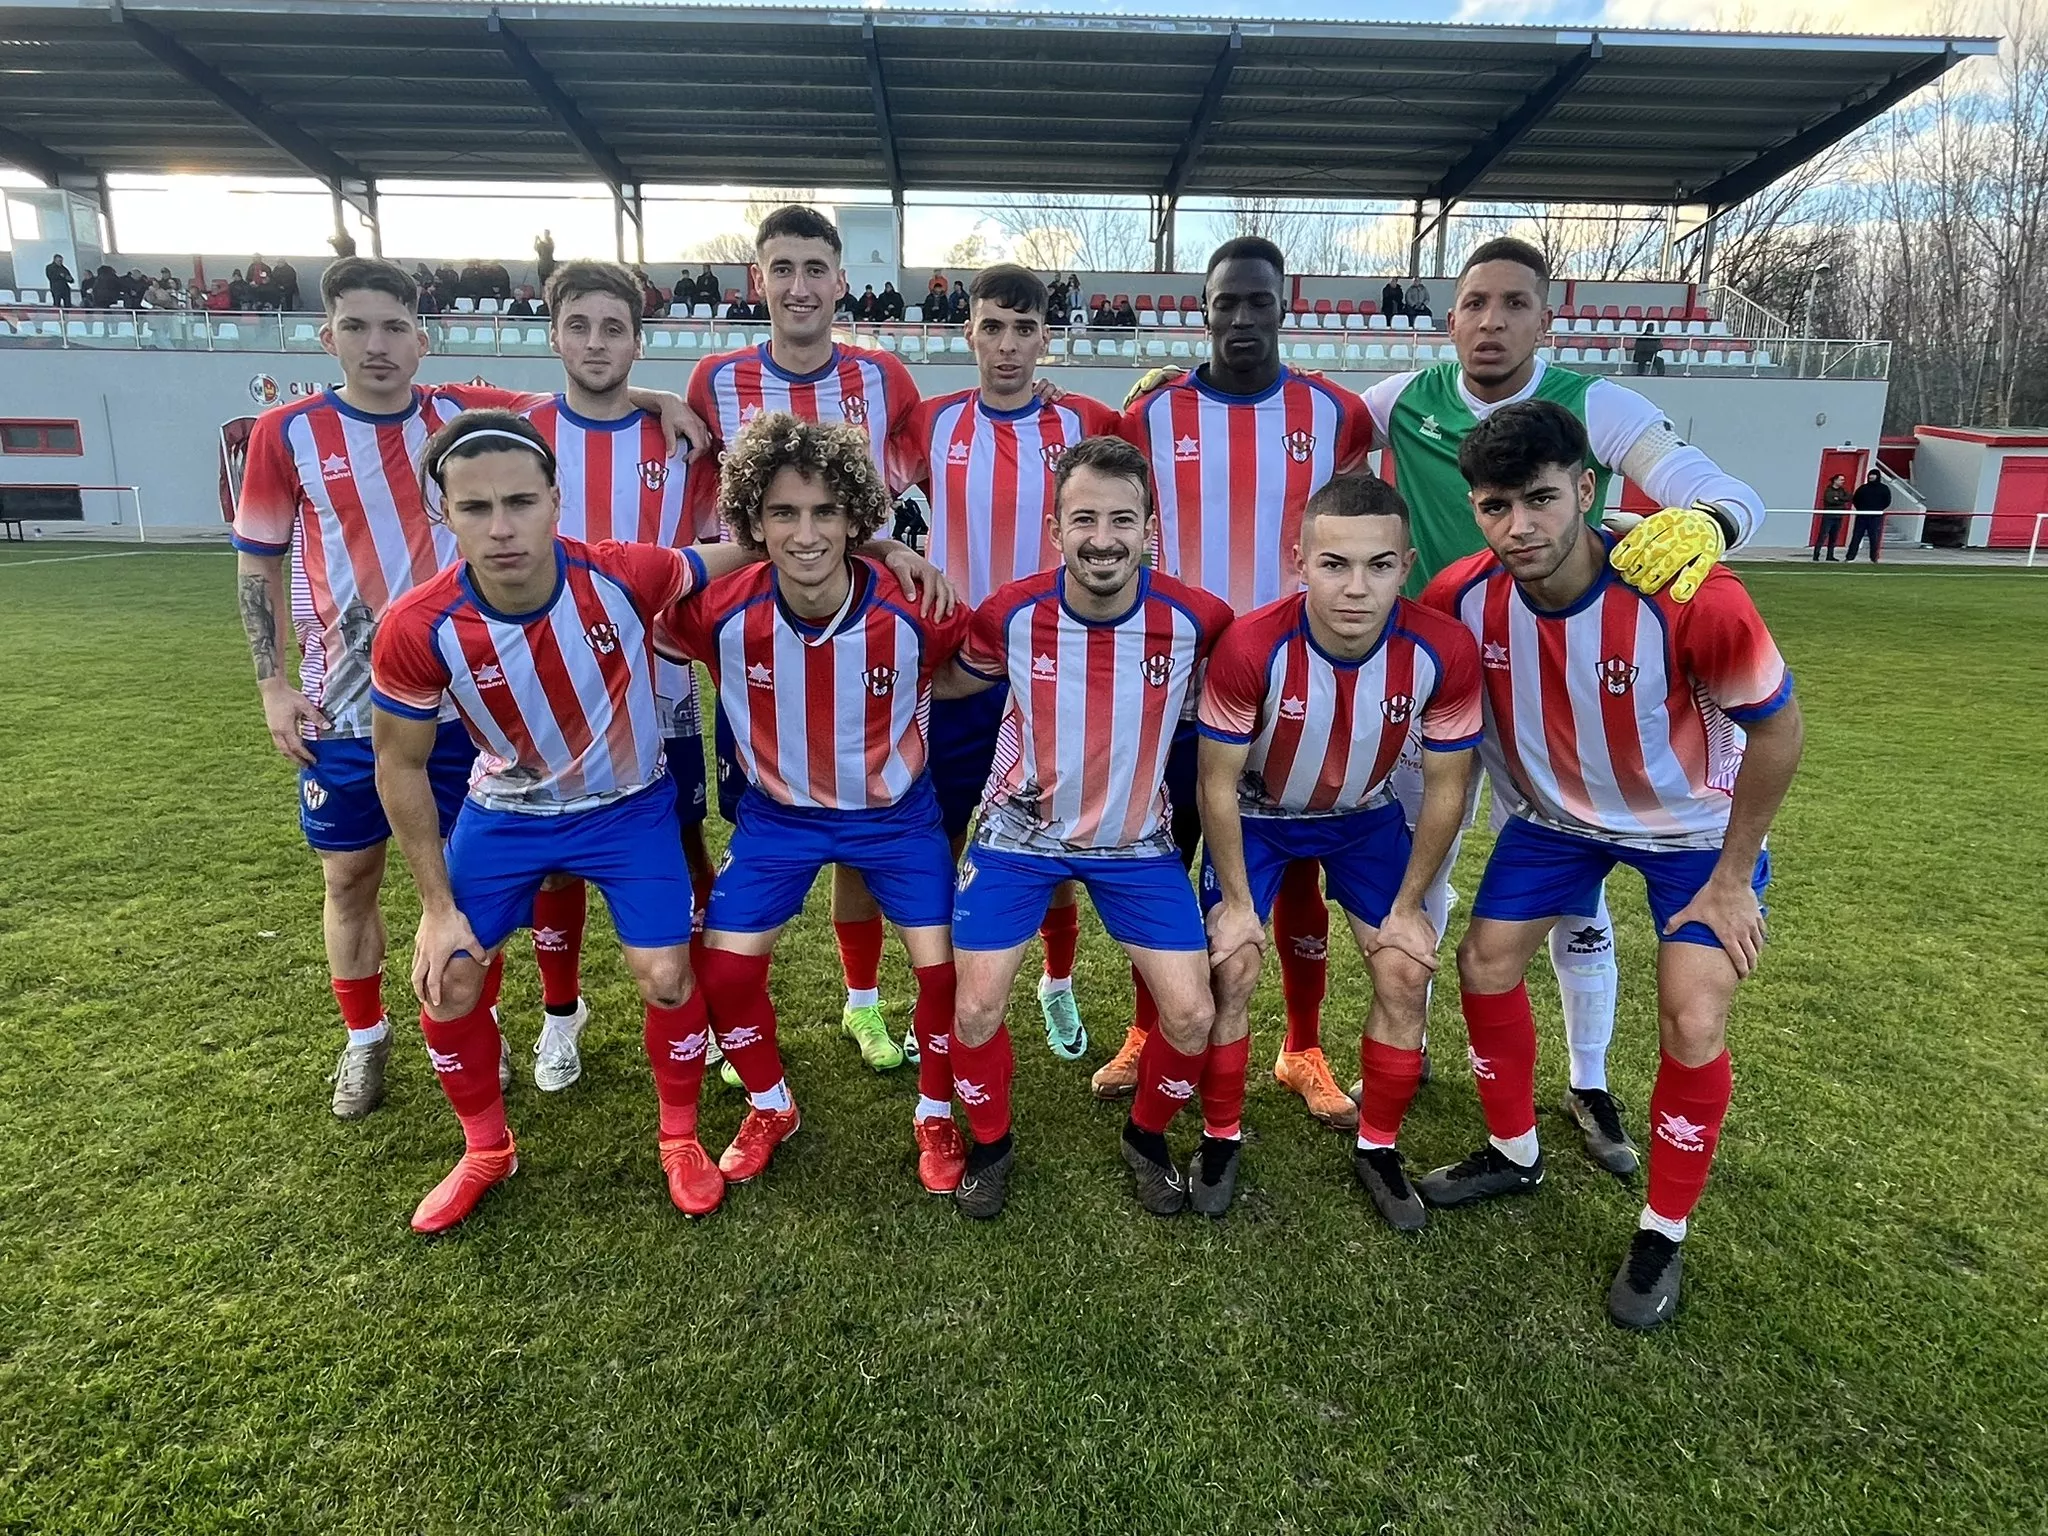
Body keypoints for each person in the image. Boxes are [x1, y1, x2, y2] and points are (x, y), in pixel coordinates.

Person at [229, 256, 705, 1122]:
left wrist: (664, 401)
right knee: (352, 877)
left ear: (423, 337)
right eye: (356, 327)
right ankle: (366, 1040)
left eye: (395, 328)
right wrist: (269, 679)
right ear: (325, 335)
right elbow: (258, 559)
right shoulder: (286, 432)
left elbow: (588, 387)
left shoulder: (465, 412)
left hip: (495, 700)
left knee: (556, 854)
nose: (377, 346)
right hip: (352, 690)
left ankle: (558, 1016)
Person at [1361, 235, 1767, 1173]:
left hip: (1567, 688)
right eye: (1474, 303)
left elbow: (1717, 488)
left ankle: (1587, 1082)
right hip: (1456, 685)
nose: (1491, 321)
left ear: (1547, 319)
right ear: (1449, 317)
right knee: (1435, 874)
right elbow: (1301, 428)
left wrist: (1701, 522)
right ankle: (1411, 1049)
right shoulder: (1402, 402)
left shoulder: (1599, 405)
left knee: (1579, 909)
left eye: (1513, 304)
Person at [1417, 399, 1803, 1330]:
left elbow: (1779, 732)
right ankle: (1514, 1152)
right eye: (1496, 506)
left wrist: (1732, 875)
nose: (1521, 527)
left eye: (1542, 500)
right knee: (1483, 961)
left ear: (1587, 491)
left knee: (1693, 1015)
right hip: (1559, 825)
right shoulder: (1461, 599)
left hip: (1695, 835)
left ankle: (1662, 1229)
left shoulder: (1690, 596)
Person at [368, 411, 763, 1231]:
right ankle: (485, 1149)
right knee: (449, 979)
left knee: (666, 975)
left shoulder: (624, 574)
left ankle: (680, 1137)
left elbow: (761, 548)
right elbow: (400, 764)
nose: (502, 526)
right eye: (476, 508)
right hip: (507, 815)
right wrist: (435, 911)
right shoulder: (417, 625)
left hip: (629, 811)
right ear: (444, 514)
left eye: (521, 501)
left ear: (557, 500)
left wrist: (883, 546)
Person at [662, 412, 967, 1196]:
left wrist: (898, 553)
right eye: (783, 513)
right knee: (723, 980)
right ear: (753, 522)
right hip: (777, 821)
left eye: (826, 511)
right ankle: (770, 1104)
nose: (805, 533)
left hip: (896, 819)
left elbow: (976, 672)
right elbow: (636, 618)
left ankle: (935, 1109)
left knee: (945, 981)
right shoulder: (714, 610)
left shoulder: (915, 609)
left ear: (857, 519)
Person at [934, 435, 1235, 1219]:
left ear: (1150, 529)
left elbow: (1248, 692)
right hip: (1017, 836)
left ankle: (1146, 1138)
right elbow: (943, 682)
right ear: (1053, 526)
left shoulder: (1199, 620)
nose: (1103, 539)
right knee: (974, 1007)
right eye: (1084, 519)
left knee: (1193, 1012)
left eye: (1122, 520)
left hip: (1136, 841)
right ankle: (991, 1147)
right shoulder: (1010, 614)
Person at [1116, 236, 1373, 1130]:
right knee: (1164, 854)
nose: (1240, 319)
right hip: (1177, 682)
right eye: (1225, 302)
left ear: (1283, 308)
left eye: (1257, 302)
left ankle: (1302, 1045)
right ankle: (1151, 1028)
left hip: (1297, 679)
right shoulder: (1149, 415)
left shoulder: (1336, 414)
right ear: (1204, 310)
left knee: (1296, 866)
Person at [1196, 474, 1481, 1221]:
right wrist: (1232, 902)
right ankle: (1220, 1133)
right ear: (1300, 561)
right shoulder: (1251, 645)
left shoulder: (1443, 647)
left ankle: (1379, 1148)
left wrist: (1413, 905)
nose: (1357, 586)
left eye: (1378, 565)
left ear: (1407, 563)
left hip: (1364, 816)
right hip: (1259, 816)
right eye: (1334, 564)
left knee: (1404, 969)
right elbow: (1218, 786)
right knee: (1232, 965)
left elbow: (1448, 787)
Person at [683, 205, 927, 1074]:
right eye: (780, 268)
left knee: (861, 807)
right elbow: (692, 472)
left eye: (814, 268)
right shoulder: (713, 379)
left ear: (840, 281)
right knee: (765, 804)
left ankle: (863, 1003)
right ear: (757, 280)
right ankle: (737, 1012)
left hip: (856, 607)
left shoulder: (883, 378)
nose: (798, 286)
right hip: (757, 625)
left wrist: (886, 540)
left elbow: (908, 467)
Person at [507, 259, 724, 1094]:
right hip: (538, 686)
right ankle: (563, 1017)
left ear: (640, 339)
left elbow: (715, 547)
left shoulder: (682, 439)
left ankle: (694, 1002)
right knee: (552, 861)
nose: (595, 343)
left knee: (682, 835)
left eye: (614, 328)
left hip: (657, 685)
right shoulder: (518, 427)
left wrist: (663, 402)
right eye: (579, 327)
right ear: (553, 332)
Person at [901, 263, 1122, 1066]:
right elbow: (858, 496)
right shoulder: (929, 422)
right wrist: (898, 546)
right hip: (959, 667)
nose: (1006, 345)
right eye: (991, 326)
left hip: (1056, 674)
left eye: (1023, 329)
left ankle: (1056, 983)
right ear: (968, 330)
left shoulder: (1087, 420)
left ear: (1045, 337)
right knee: (940, 831)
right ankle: (942, 994)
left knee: (1053, 837)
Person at [1848, 468, 1891, 562]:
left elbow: (1887, 501)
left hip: (1875, 517)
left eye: (1873, 475)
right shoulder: (1863, 488)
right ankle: (1850, 557)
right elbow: (1856, 499)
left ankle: (1874, 558)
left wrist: (1878, 509)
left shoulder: (1884, 488)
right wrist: (1860, 509)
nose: (1871, 477)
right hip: (1862, 516)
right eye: (1870, 475)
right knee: (1856, 536)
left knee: (1874, 538)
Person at [1815, 472, 1850, 561]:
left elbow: (1849, 497)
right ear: (1835, 480)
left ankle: (1830, 555)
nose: (1843, 481)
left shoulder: (1842, 490)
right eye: (1841, 480)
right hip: (1829, 516)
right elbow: (1830, 500)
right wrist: (1840, 500)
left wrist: (1839, 499)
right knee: (1823, 535)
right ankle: (1816, 555)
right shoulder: (1829, 490)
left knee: (1834, 537)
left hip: (1838, 516)